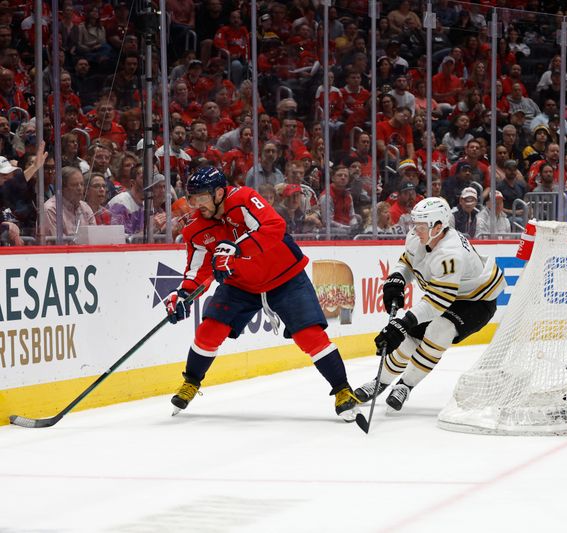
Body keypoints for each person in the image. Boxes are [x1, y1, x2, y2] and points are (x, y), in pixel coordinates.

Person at [164, 167, 361, 421]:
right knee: (209, 329)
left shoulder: (243, 199)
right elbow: (198, 269)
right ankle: (190, 383)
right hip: (241, 285)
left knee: (309, 335)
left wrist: (236, 250)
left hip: (285, 277)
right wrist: (183, 295)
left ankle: (343, 391)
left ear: (219, 193)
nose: (196, 205)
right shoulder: (196, 230)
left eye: (201, 198)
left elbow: (274, 226)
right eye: (192, 199)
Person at [353, 197, 506, 412]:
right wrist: (396, 279)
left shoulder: (450, 254)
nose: (416, 229)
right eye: (415, 224)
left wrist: (402, 323)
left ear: (439, 226)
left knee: (438, 330)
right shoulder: (418, 237)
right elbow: (407, 261)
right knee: (409, 340)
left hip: (477, 301)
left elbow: (437, 301)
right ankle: (380, 382)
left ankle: (406, 385)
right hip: (449, 294)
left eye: (422, 225)